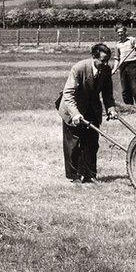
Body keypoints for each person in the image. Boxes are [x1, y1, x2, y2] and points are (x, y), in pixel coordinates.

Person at [58, 43, 118, 183]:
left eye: (107, 60)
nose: (105, 63)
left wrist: (111, 108)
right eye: (102, 60)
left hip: (92, 107)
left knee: (92, 142)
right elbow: (68, 94)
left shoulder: (106, 70)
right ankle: (74, 176)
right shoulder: (79, 68)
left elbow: (107, 92)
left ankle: (90, 175)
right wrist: (76, 114)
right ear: (93, 57)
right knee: (74, 143)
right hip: (71, 107)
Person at [111, 24, 136, 107]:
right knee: (125, 89)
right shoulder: (117, 44)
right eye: (118, 32)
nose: (120, 34)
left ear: (125, 31)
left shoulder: (132, 40)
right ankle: (129, 107)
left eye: (121, 32)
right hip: (122, 66)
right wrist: (114, 69)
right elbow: (117, 58)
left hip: (132, 64)